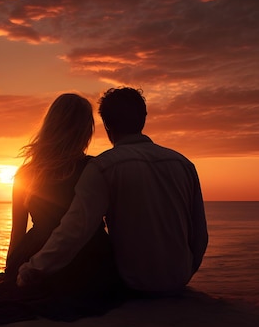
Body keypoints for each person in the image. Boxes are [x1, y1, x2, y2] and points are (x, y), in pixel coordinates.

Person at [0, 93, 122, 323]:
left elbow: (17, 230)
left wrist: (12, 270)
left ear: (51, 126)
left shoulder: (26, 173)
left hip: (35, 250)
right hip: (87, 256)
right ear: (85, 129)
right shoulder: (93, 167)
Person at [18, 87, 208, 295]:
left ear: (106, 125)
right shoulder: (183, 164)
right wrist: (186, 272)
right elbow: (199, 234)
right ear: (144, 118)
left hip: (131, 282)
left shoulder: (104, 167)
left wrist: (32, 269)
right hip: (178, 279)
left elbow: (76, 229)